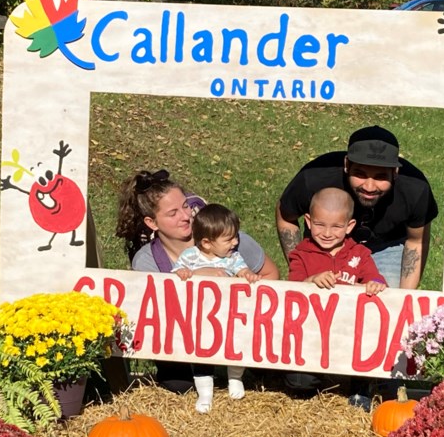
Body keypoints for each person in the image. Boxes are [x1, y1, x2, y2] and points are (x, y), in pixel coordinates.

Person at [116, 169, 280, 397]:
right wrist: (196, 276)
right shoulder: (147, 260)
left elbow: (272, 275)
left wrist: (239, 292)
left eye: (185, 206)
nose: (185, 216)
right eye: (172, 213)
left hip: (238, 327)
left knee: (267, 376)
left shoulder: (229, 240)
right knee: (179, 386)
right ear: (151, 223)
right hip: (184, 338)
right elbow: (158, 311)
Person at [276, 126, 438, 290]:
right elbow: (285, 216)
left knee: (381, 303)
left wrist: (403, 298)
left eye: (381, 177)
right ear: (347, 164)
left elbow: (416, 241)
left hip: (387, 245)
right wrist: (300, 260)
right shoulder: (313, 178)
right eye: (360, 174)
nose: (369, 186)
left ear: (395, 172)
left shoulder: (416, 189)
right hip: (325, 240)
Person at [170, 203, 260, 412]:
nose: (235, 242)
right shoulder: (190, 257)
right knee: (201, 354)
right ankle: (205, 393)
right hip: (200, 317)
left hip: (228, 315)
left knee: (236, 347)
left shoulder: (233, 258)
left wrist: (248, 275)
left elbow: (243, 270)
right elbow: (174, 279)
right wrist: (192, 273)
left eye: (235, 237)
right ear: (207, 243)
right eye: (229, 239)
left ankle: (235, 377)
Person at [288, 187, 387, 295]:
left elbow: (376, 278)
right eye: (320, 225)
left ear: (349, 226)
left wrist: (376, 284)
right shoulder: (301, 255)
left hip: (350, 309)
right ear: (309, 221)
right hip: (315, 309)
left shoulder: (360, 254)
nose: (327, 234)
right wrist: (312, 280)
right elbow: (292, 289)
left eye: (336, 227)